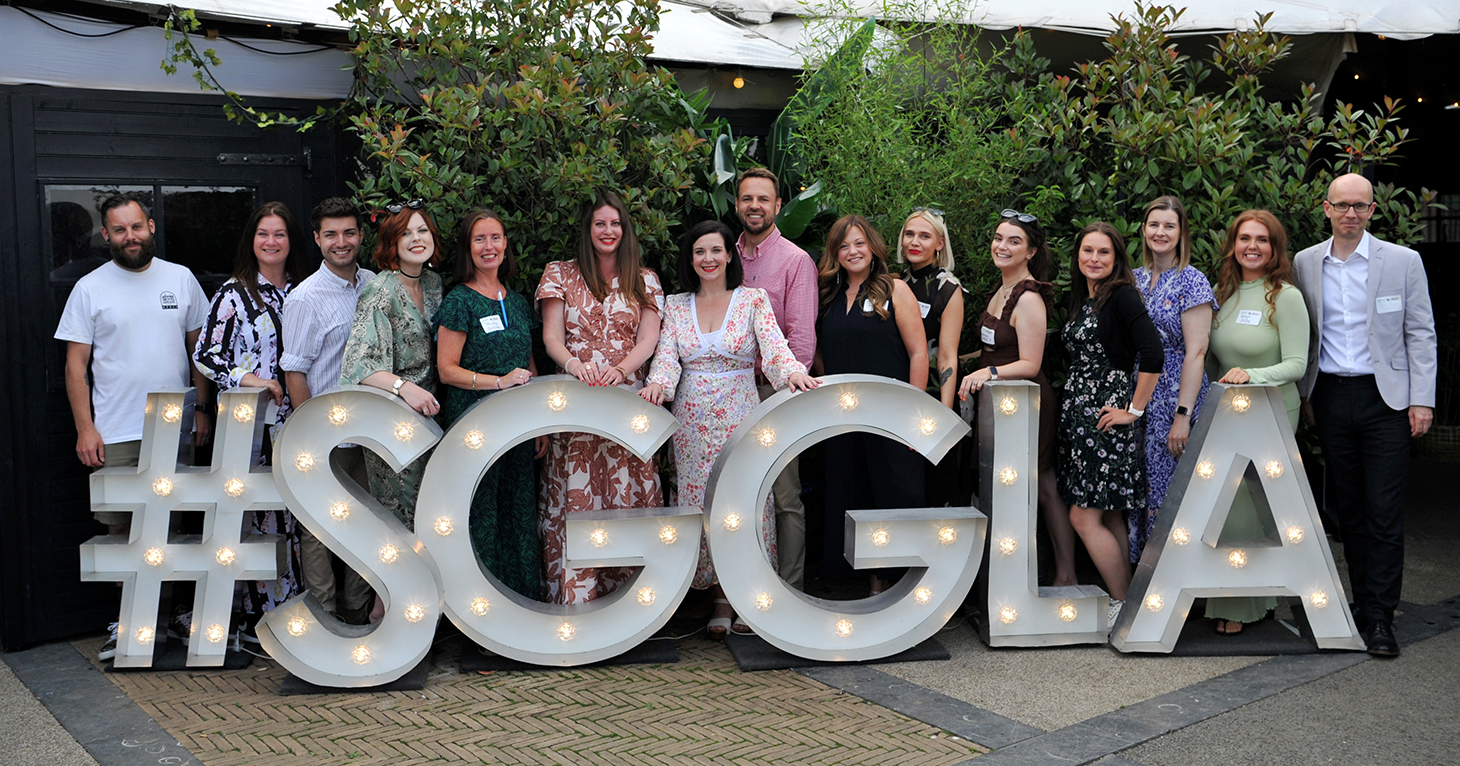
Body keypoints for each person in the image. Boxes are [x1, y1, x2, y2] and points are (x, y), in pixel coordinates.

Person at [642, 221, 819, 636]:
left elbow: (774, 349)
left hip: (741, 416)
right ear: (690, 259)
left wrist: (793, 373)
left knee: (746, 503)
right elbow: (666, 359)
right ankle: (721, 598)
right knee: (702, 506)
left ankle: (751, 594)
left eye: (716, 250)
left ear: (729, 256)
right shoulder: (675, 305)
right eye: (700, 251)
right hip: (691, 425)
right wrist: (657, 385)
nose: (708, 259)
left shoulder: (752, 300)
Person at [55, 192, 212, 660]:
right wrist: (85, 428)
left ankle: (171, 617)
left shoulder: (181, 279)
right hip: (117, 430)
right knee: (122, 534)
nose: (130, 237)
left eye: (136, 227)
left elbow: (198, 351)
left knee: (174, 528)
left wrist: (203, 409)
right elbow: (75, 366)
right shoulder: (90, 288)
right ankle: (130, 625)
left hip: (176, 428)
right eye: (119, 230)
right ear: (106, 235)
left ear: (151, 227)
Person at [1294, 173, 1436, 657]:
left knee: (1384, 509)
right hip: (1331, 397)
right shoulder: (1306, 262)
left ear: (1373, 210)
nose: (1351, 213)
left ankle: (1381, 616)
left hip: (1387, 399)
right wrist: (1306, 396)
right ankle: (1361, 603)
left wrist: (1422, 399)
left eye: (1360, 205)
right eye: (1342, 205)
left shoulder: (1403, 261)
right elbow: (1306, 334)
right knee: (1348, 509)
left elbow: (1421, 333)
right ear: (1326, 208)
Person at [536, 191, 665, 604]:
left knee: (625, 493)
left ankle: (630, 602)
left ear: (625, 229)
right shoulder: (559, 273)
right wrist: (574, 365)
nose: (608, 231)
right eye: (599, 224)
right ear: (588, 229)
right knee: (578, 496)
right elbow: (552, 338)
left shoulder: (644, 279)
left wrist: (622, 369)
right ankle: (578, 598)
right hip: (576, 403)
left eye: (615, 224)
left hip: (626, 406)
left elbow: (648, 340)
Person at [194, 201, 310, 643]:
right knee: (256, 522)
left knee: (293, 518)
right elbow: (206, 355)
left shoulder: (302, 291)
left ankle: (294, 612)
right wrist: (248, 379)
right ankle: (259, 622)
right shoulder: (234, 295)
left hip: (296, 423)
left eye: (280, 234)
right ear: (252, 240)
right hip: (250, 428)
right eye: (263, 233)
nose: (271, 242)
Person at [1206, 210, 1309, 634]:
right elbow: (1213, 361)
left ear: (1275, 248)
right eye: (1244, 238)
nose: (1252, 246)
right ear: (1232, 245)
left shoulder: (1285, 297)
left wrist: (1251, 376)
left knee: (1249, 504)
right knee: (1223, 504)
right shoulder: (1222, 293)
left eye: (1262, 239)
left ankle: (1245, 604)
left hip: (1272, 412)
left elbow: (1297, 364)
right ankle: (1234, 594)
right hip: (1227, 412)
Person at [958, 211, 1075, 587]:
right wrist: (957, 361)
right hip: (999, 405)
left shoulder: (1028, 298)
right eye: (998, 238)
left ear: (1031, 251)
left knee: (1043, 485)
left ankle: (1066, 574)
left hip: (1027, 405)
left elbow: (1030, 363)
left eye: (1014, 241)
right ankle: (1010, 577)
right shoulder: (1002, 288)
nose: (1002, 246)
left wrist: (986, 373)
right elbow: (994, 348)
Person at [815, 215, 929, 594]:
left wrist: (915, 414)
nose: (852, 251)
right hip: (843, 419)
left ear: (873, 247)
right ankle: (863, 588)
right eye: (843, 246)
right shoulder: (827, 295)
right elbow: (819, 353)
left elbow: (918, 353)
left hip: (892, 418)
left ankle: (900, 589)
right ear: (834, 253)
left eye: (859, 243)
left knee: (893, 495)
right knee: (852, 497)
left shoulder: (895, 289)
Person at [1057, 222, 1163, 626]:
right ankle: (1131, 602)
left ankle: (1122, 603)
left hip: (1104, 419)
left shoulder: (1121, 296)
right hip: (1080, 417)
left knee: (1082, 517)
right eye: (1088, 251)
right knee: (1111, 514)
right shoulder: (1084, 298)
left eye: (1104, 252)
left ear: (1117, 258)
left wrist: (1133, 410)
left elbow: (1153, 353)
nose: (1094, 259)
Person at [436, 209, 544, 600]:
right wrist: (497, 383)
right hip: (474, 424)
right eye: (479, 239)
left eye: (495, 237)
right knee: (481, 508)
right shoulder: (459, 301)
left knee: (518, 507)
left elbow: (529, 363)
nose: (489, 246)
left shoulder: (516, 302)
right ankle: (481, 605)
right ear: (468, 248)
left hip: (517, 425)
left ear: (505, 244)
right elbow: (446, 370)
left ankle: (522, 600)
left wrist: (539, 423)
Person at [279, 198, 376, 625]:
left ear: (361, 235)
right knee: (320, 526)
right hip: (327, 433)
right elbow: (294, 370)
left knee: (366, 521)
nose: (342, 242)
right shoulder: (305, 298)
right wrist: (312, 432)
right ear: (317, 239)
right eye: (331, 234)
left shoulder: (375, 285)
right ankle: (324, 616)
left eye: (349, 232)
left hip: (373, 431)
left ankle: (357, 607)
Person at [734, 167, 820, 590]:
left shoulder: (795, 260)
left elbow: (801, 338)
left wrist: (786, 391)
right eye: (747, 198)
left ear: (778, 205)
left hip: (775, 390)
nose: (755, 206)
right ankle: (740, 587)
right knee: (737, 493)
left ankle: (789, 587)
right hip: (729, 392)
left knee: (785, 495)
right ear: (737, 204)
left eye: (763, 199)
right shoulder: (723, 254)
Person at [339, 200, 444, 536]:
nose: (417, 238)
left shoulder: (433, 284)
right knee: (401, 521)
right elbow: (358, 366)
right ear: (392, 243)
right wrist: (405, 388)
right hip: (395, 421)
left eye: (422, 230)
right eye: (406, 233)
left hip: (433, 419)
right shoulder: (380, 291)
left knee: (433, 516)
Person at [1132, 197, 1216, 560]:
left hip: (1174, 395)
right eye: (1154, 224)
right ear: (1144, 230)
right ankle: (1143, 578)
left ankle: (1173, 575)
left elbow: (1197, 352)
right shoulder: (1133, 278)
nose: (1160, 232)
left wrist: (1183, 415)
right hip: (1138, 393)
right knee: (1142, 487)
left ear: (1182, 233)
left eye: (1169, 226)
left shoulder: (1191, 281)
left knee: (1172, 491)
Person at [897, 207, 968, 508]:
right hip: (899, 393)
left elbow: (948, 355)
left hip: (933, 397)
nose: (915, 242)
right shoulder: (895, 282)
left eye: (924, 236)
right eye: (909, 234)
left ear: (940, 243)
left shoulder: (948, 289)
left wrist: (944, 415)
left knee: (936, 486)